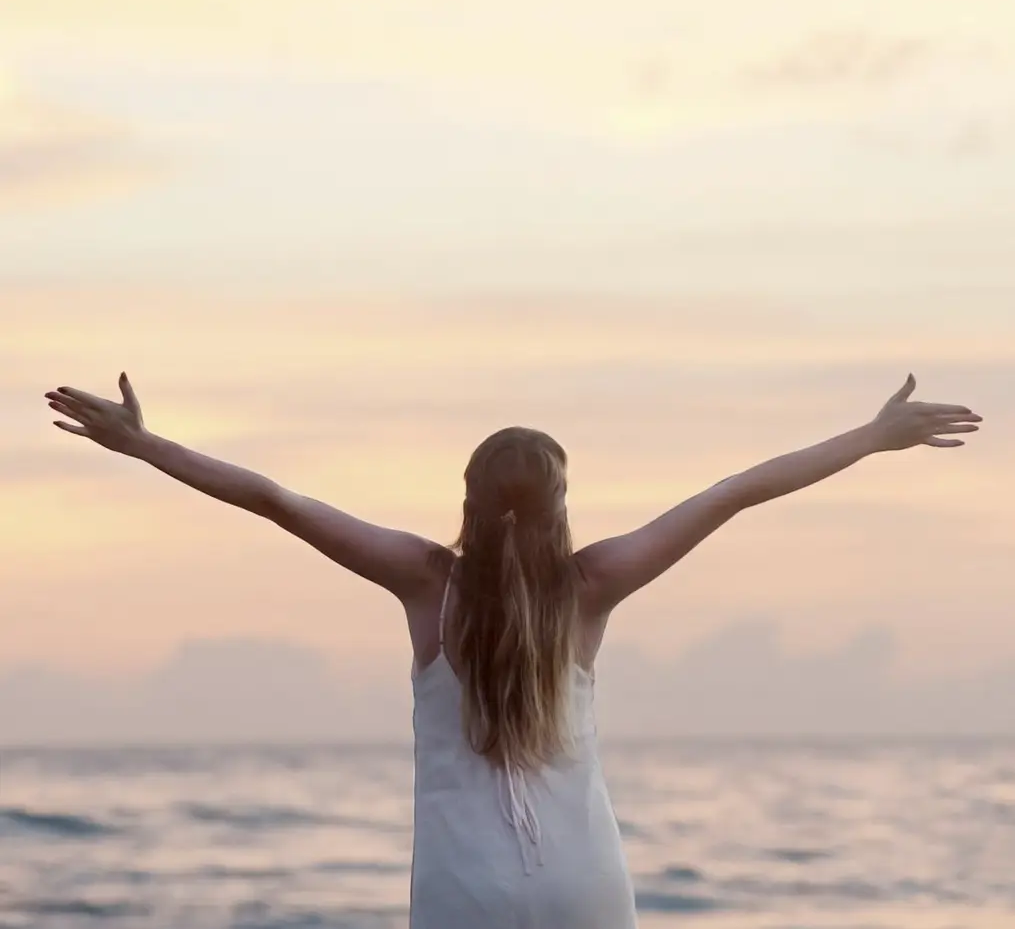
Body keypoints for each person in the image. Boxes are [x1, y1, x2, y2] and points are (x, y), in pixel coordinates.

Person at [44, 372, 980, 928]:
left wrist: (144, 446)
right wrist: (869, 438)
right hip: (583, 882)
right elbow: (737, 490)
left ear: (467, 491)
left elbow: (275, 500)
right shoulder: (595, 583)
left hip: (464, 892)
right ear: (561, 501)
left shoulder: (423, 582)